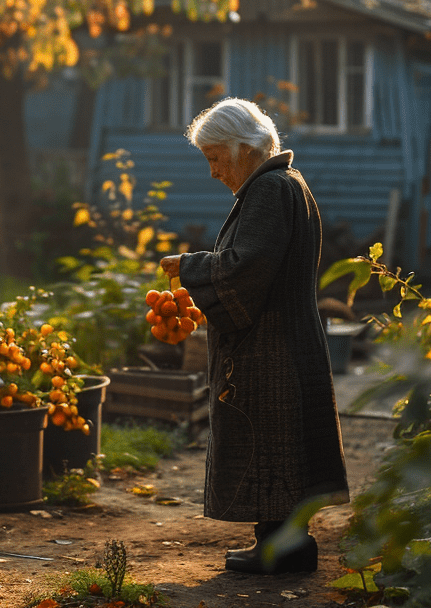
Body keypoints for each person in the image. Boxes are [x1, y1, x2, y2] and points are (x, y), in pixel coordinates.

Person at [159, 97, 349, 575]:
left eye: (214, 158)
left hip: (273, 349)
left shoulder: (269, 190)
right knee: (281, 445)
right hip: (288, 340)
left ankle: (281, 550)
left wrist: (190, 266)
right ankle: (286, 546)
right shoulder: (288, 185)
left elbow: (248, 266)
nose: (213, 171)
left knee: (271, 443)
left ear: (244, 149)